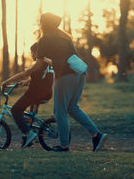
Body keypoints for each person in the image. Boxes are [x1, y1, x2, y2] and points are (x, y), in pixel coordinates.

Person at [36, 12, 108, 152]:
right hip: (80, 73)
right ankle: (96, 135)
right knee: (72, 107)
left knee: (59, 112)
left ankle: (64, 146)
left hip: (65, 76)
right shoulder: (65, 37)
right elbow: (71, 56)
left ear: (43, 24)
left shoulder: (44, 39)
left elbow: (39, 63)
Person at [1, 42, 54, 148]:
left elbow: (24, 73)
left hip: (35, 94)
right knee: (28, 116)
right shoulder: (47, 63)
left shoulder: (40, 62)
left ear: (37, 53)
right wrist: (27, 82)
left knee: (15, 110)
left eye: (32, 53)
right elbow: (41, 78)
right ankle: (28, 138)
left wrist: (6, 81)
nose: (31, 55)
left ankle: (29, 134)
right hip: (45, 93)